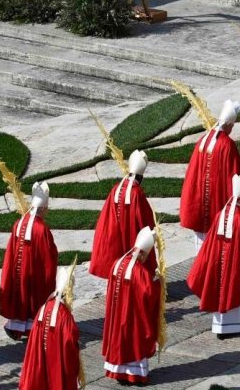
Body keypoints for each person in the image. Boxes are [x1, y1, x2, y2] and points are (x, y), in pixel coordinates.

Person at [187, 173, 240, 336]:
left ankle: (224, 326)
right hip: (238, 266)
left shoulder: (221, 214)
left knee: (223, 289)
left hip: (220, 264)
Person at [180, 100, 240, 250]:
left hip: (198, 203)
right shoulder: (227, 145)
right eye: (232, 126)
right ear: (229, 124)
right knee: (215, 250)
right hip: (216, 204)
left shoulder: (203, 140)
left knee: (200, 249)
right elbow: (235, 177)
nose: (232, 129)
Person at [0, 182, 58, 340]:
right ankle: (32, 331)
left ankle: (15, 328)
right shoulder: (41, 229)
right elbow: (49, 256)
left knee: (20, 299)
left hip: (18, 272)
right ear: (43, 209)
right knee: (33, 301)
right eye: (47, 209)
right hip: (33, 274)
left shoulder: (18, 224)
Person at [102, 226, 161, 385]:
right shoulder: (139, 271)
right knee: (135, 341)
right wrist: (158, 283)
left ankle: (119, 374)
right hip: (132, 316)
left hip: (117, 313)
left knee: (119, 341)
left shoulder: (117, 263)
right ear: (142, 253)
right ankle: (135, 376)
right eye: (146, 256)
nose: (145, 259)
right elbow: (148, 293)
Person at [91, 150, 157, 279]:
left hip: (115, 232)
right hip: (131, 233)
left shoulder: (116, 188)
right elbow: (145, 219)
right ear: (141, 177)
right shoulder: (137, 193)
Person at [18, 265, 82, 390]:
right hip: (57, 363)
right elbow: (69, 342)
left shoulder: (44, 308)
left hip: (40, 359)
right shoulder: (64, 316)